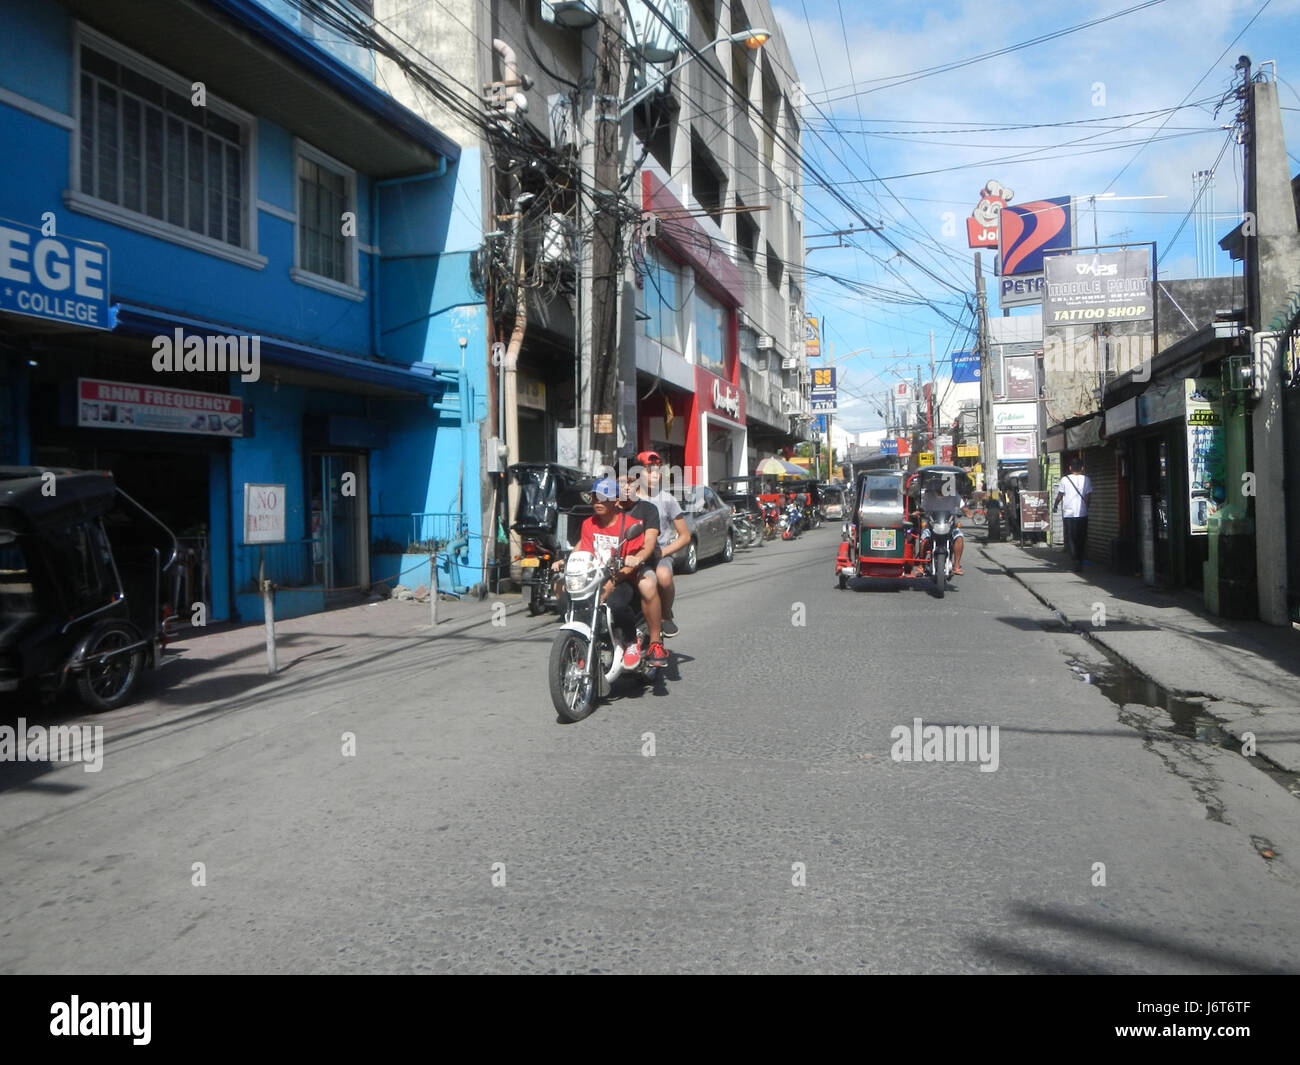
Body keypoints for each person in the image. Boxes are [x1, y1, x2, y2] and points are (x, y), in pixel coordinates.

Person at [562, 477, 668, 668]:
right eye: (594, 497)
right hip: (595, 576)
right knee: (568, 599)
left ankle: (633, 641)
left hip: (624, 575)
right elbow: (585, 550)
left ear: (615, 500)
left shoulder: (632, 524)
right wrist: (567, 562)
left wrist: (614, 579)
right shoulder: (588, 524)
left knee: (617, 603)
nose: (598, 502)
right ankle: (580, 644)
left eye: (604, 498)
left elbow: (642, 552)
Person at [635, 450, 689, 638]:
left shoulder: (668, 499)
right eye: (650, 470)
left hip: (659, 554)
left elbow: (684, 536)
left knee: (664, 576)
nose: (655, 475)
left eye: (658, 471)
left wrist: (664, 551)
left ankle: (665, 615)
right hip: (633, 554)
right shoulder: (629, 498)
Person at [919, 479, 972, 576]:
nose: (941, 488)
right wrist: (919, 512)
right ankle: (921, 566)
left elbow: (962, 506)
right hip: (932, 525)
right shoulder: (929, 495)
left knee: (959, 538)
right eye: (939, 486)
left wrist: (968, 513)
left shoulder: (954, 494)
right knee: (923, 541)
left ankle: (956, 566)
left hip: (950, 525)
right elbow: (923, 508)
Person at [1054, 457, 1093, 572]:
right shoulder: (1087, 479)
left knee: (1071, 537)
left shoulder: (1064, 480)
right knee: (1081, 537)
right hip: (1082, 514)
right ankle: (1080, 560)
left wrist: (1055, 505)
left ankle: (1075, 560)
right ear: (1082, 468)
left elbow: (1060, 495)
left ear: (1070, 468)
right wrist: (1087, 507)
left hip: (1068, 514)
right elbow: (1088, 496)